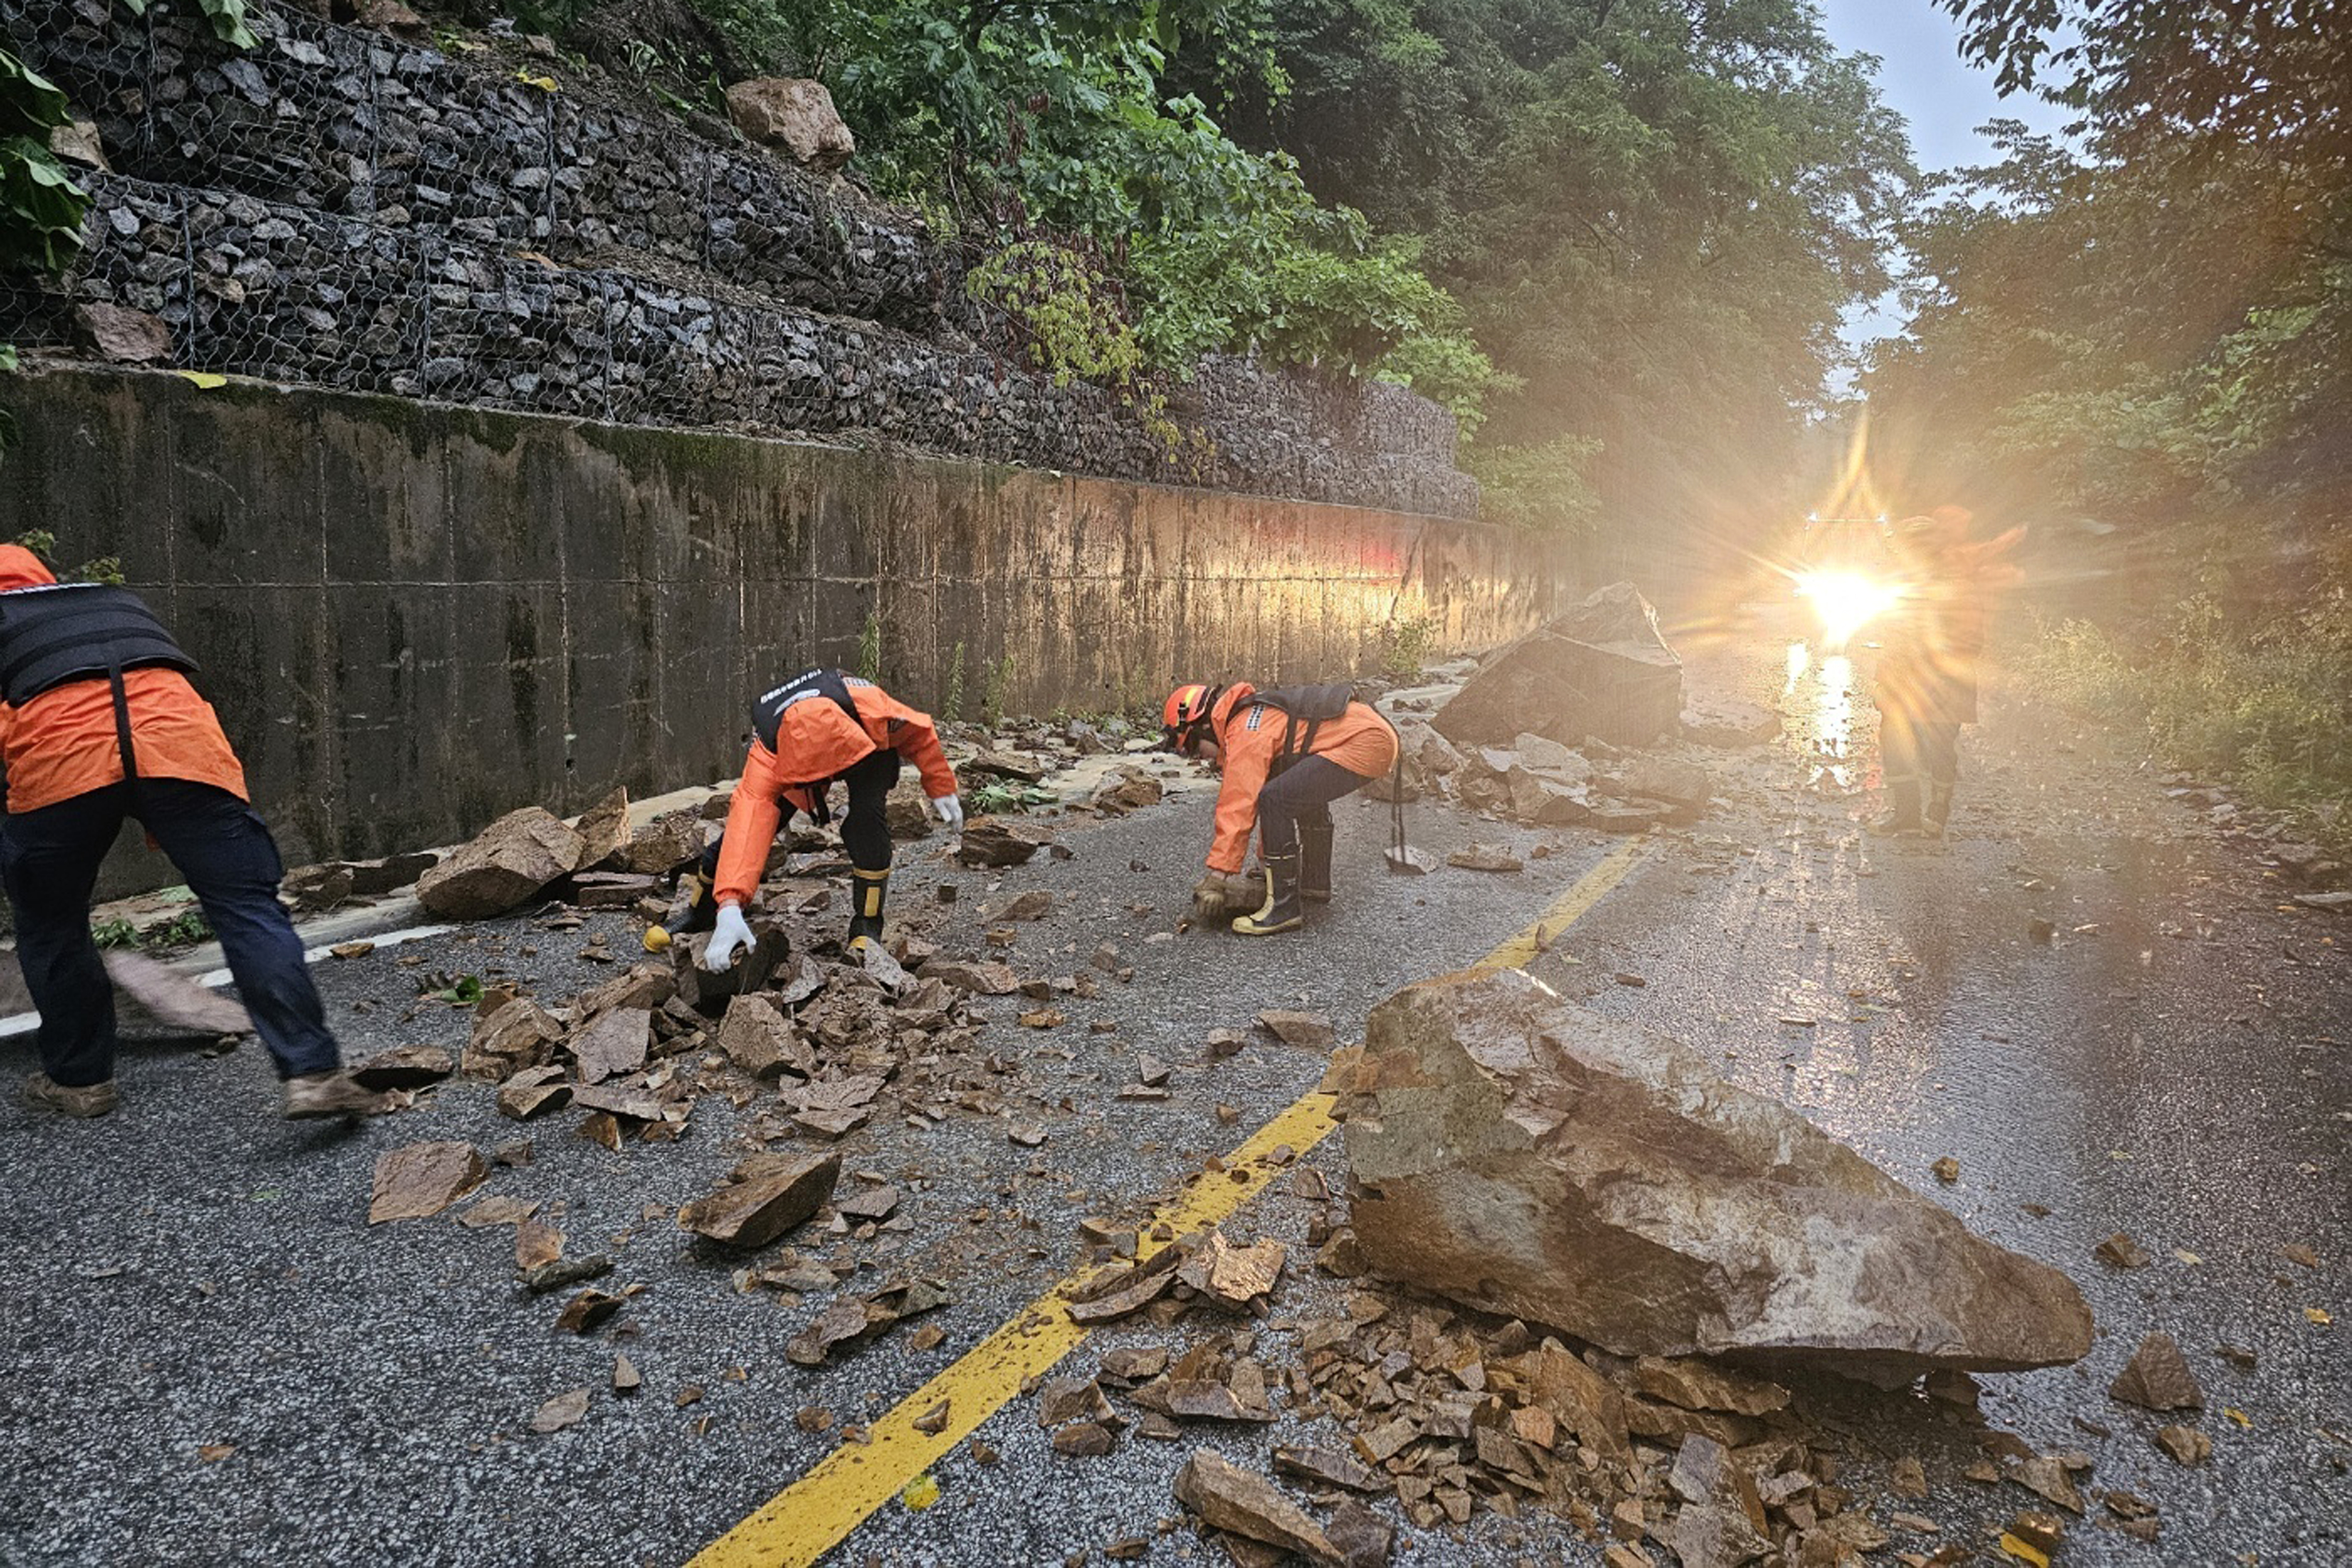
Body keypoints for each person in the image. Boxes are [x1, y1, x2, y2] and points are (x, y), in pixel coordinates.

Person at [0, 544, 377, 1120]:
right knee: (247, 905)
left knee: (50, 922)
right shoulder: (108, 600)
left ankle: (81, 1081)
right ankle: (313, 1072)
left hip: (62, 759)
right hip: (180, 745)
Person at [676, 667, 963, 970]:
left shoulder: (873, 709)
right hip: (796, 763)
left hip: (862, 747)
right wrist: (730, 904)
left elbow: (920, 732)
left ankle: (867, 925)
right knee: (750, 832)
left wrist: (940, 785)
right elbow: (746, 825)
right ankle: (700, 912)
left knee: (866, 822)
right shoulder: (768, 752)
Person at [1162, 680, 1400, 936]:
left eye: (1191, 746)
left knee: (1276, 800)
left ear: (1205, 726)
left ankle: (1284, 910)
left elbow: (1238, 805)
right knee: (1292, 790)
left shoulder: (1245, 730)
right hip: (1374, 734)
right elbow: (1278, 782)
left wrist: (1218, 877)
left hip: (1364, 741)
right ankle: (1314, 884)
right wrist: (1267, 865)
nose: (1198, 757)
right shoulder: (1253, 714)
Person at [1870, 508, 2024, 838]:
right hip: (1906, 685)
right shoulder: (1904, 586)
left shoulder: (1955, 585)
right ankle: (1907, 815)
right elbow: (1892, 637)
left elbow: (1972, 640)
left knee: (1939, 746)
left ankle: (1936, 815)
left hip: (1944, 684)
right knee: (1896, 745)